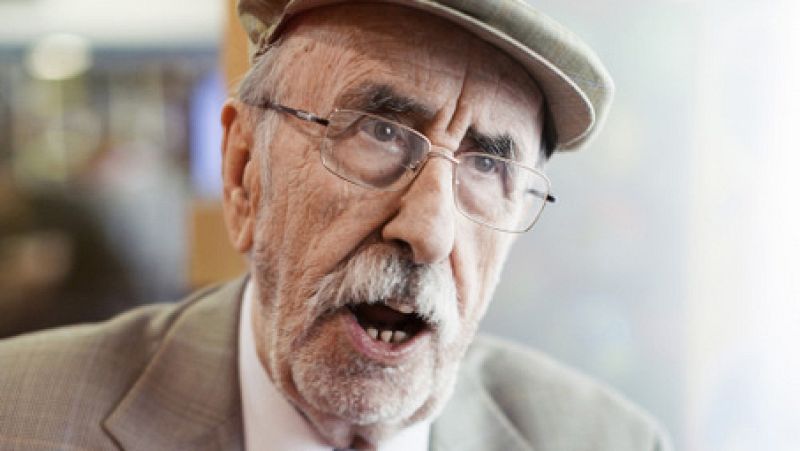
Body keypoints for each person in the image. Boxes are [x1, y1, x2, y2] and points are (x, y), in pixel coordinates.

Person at [0, 1, 672, 450]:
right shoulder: (19, 418)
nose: (430, 231)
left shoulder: (614, 441)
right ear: (243, 171)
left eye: (488, 163)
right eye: (381, 131)